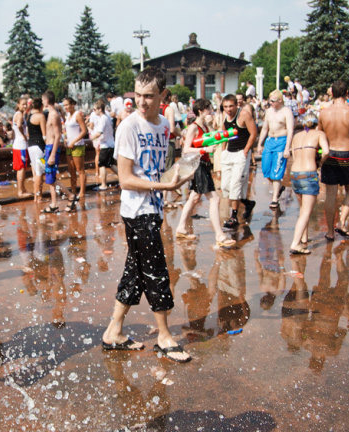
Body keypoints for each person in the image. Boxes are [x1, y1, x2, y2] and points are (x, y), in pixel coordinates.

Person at [102, 67, 192, 363]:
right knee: (156, 270)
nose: (142, 102)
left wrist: (175, 178)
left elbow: (157, 167)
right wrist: (164, 184)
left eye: (149, 96)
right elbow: (126, 179)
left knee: (136, 271)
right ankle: (164, 336)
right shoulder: (128, 127)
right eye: (138, 95)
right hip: (136, 211)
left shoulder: (164, 124)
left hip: (154, 207)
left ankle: (114, 331)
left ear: (163, 96)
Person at [175, 98, 236, 248]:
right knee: (214, 199)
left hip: (204, 164)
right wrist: (204, 150)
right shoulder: (194, 127)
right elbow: (186, 149)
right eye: (209, 109)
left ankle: (181, 227)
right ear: (201, 111)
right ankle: (219, 235)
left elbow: (211, 138)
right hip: (199, 166)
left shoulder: (204, 126)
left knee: (194, 197)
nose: (211, 112)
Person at [319, 80, 349, 240]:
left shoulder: (324, 113)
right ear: (347, 94)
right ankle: (342, 221)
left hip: (330, 154)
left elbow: (320, 135)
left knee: (330, 194)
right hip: (346, 154)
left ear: (331, 93)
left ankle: (330, 231)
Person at [288, 111, 329, 255]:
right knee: (306, 211)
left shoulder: (296, 136)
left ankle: (304, 237)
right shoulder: (319, 134)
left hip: (295, 174)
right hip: (309, 173)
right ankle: (295, 243)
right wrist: (320, 163)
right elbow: (326, 151)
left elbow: (292, 153)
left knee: (302, 208)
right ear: (316, 123)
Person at [221, 94, 258, 228]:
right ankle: (248, 203)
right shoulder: (225, 117)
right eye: (225, 107)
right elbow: (224, 134)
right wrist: (223, 150)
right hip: (229, 153)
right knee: (225, 186)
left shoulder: (244, 115)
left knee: (235, 185)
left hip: (240, 153)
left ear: (236, 105)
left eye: (231, 106)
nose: (228, 109)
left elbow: (254, 133)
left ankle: (233, 216)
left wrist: (246, 150)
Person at [257, 90, 294, 209]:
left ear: (280, 100)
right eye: (269, 100)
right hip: (270, 141)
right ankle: (278, 186)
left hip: (281, 141)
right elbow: (264, 129)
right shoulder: (269, 111)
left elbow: (290, 130)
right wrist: (259, 144)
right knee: (266, 169)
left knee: (277, 170)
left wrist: (287, 148)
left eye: (273, 101)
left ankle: (275, 198)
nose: (270, 102)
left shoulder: (286, 111)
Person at [62, 96, 87, 211]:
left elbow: (84, 131)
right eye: (64, 105)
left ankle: (82, 191)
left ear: (73, 104)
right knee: (71, 170)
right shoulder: (68, 116)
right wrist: (66, 139)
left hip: (77, 145)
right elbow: (68, 130)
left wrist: (74, 141)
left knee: (79, 170)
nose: (66, 107)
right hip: (69, 146)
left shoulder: (77, 114)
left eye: (67, 105)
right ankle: (73, 191)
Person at [41, 90, 64, 214]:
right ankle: (68, 196)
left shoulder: (54, 115)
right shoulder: (50, 114)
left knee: (51, 177)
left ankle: (54, 203)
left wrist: (53, 155)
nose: (42, 101)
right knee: (50, 177)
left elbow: (57, 135)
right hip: (48, 147)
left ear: (46, 100)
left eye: (43, 99)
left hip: (52, 148)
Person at [90, 99, 117, 191]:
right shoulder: (107, 117)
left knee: (101, 164)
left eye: (94, 109)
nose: (93, 111)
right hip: (109, 144)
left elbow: (99, 132)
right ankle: (123, 179)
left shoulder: (103, 118)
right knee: (110, 164)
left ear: (99, 109)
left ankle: (103, 185)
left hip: (106, 145)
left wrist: (91, 138)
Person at [26, 96, 47, 203]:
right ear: (41, 106)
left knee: (35, 172)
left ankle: (36, 197)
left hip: (31, 147)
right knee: (40, 173)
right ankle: (39, 197)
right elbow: (44, 135)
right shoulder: (40, 116)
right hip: (39, 147)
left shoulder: (29, 116)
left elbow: (28, 133)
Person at [12, 97, 31, 197]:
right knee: (21, 169)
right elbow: (19, 125)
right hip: (21, 145)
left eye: (25, 104)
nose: (25, 106)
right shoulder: (19, 114)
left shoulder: (19, 114)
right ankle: (20, 191)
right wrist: (24, 136)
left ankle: (22, 189)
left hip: (19, 145)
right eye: (23, 104)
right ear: (18, 104)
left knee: (22, 168)